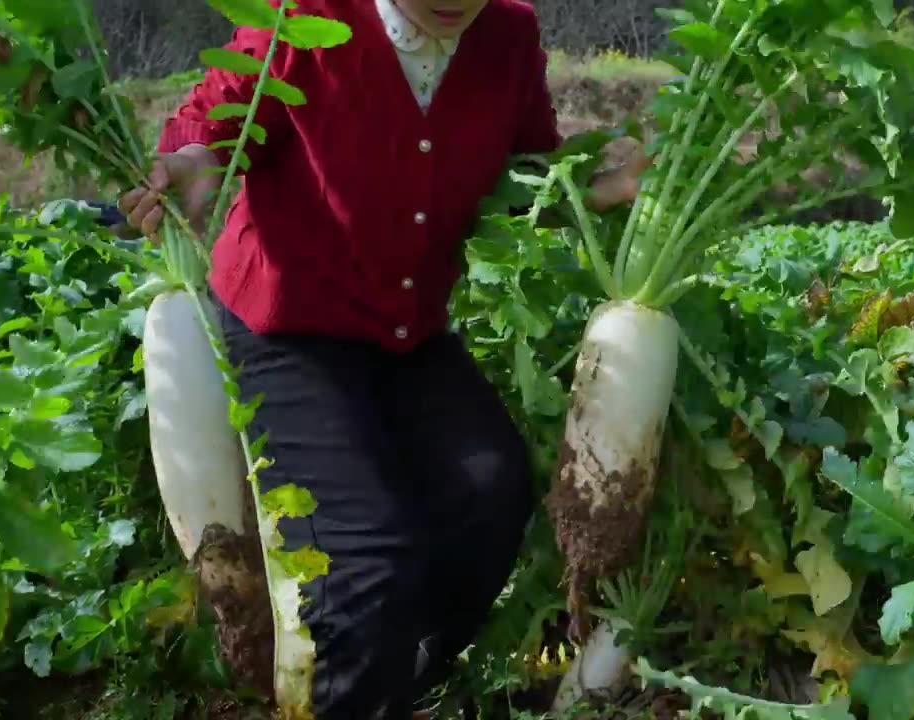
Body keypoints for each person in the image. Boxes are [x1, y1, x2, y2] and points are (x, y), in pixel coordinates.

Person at [116, 0, 645, 717]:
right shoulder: (308, 16)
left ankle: (390, 670)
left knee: (492, 494)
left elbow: (524, 175)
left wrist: (600, 189)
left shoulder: (508, 33)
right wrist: (189, 160)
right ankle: (356, 676)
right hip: (286, 328)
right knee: (366, 562)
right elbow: (215, 116)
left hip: (408, 335)